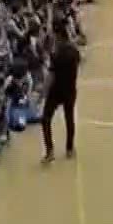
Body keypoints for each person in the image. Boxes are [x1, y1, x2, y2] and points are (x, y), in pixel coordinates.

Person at [41, 22, 79, 162]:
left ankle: (49, 151)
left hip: (56, 91)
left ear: (58, 36)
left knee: (45, 119)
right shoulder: (74, 51)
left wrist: (43, 93)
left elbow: (51, 76)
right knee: (69, 119)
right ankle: (69, 149)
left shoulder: (56, 55)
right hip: (70, 90)